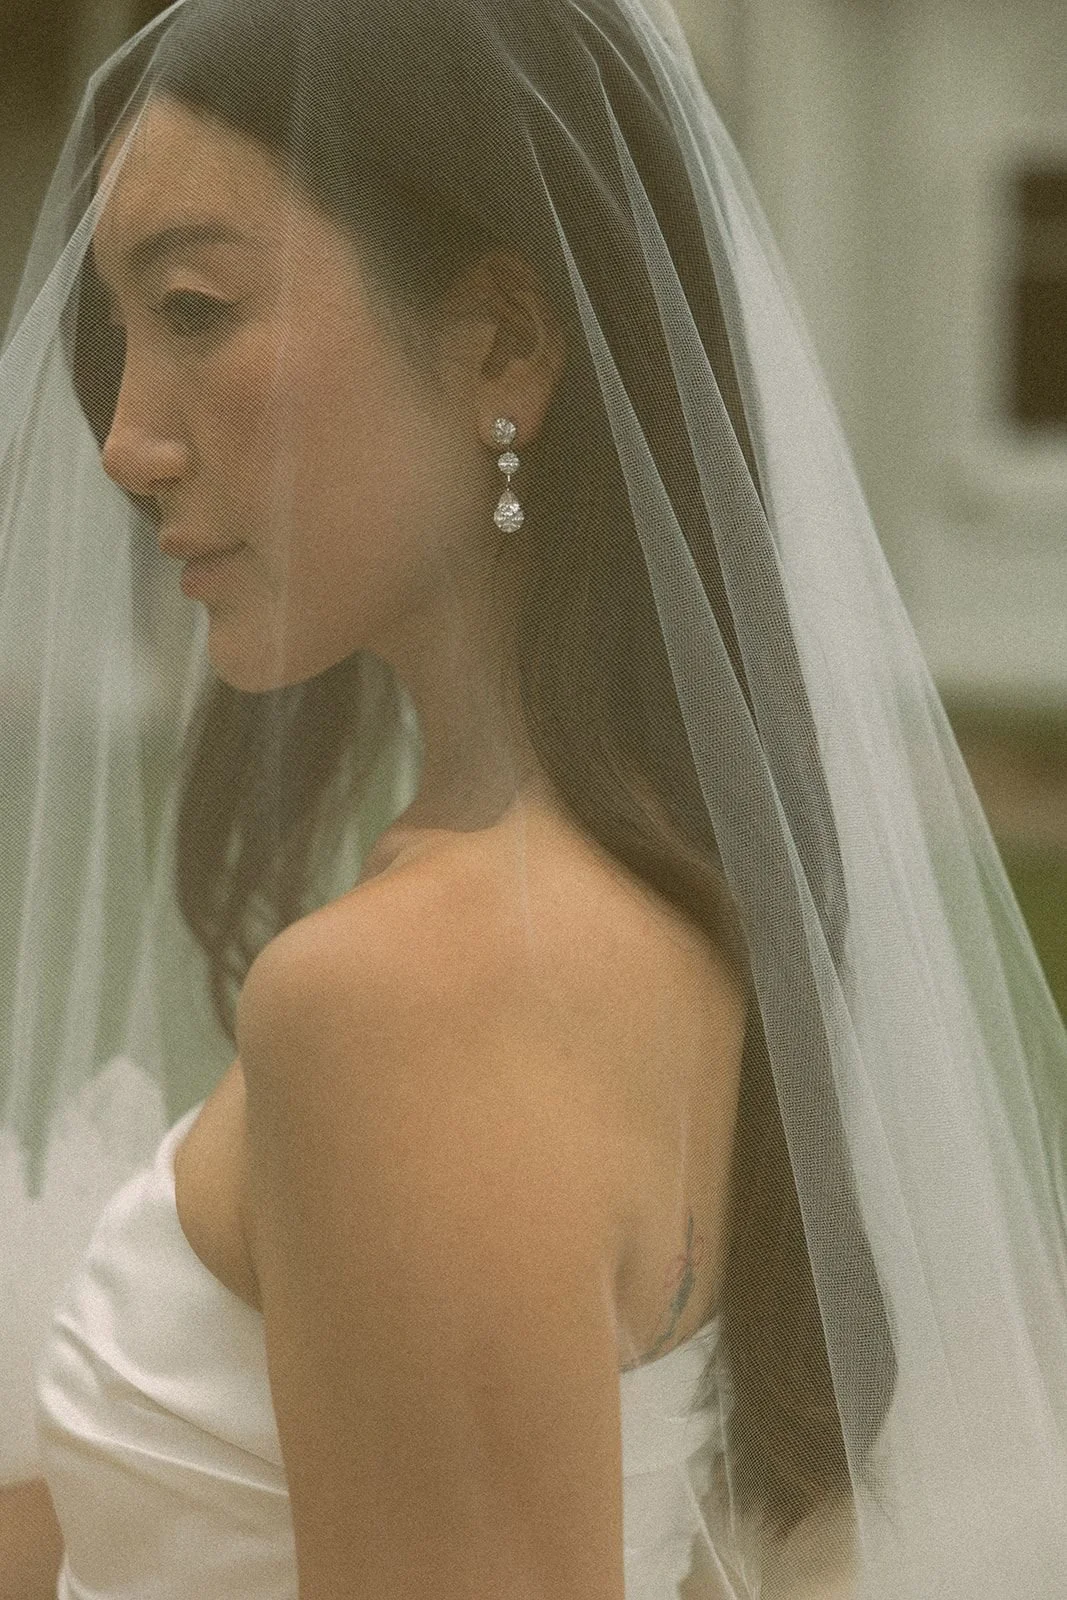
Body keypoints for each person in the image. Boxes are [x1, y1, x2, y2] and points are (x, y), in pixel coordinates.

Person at [1, 1, 1065, 1596]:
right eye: (120, 333)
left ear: (504, 343)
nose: (125, 437)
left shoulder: (417, 998)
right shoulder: (663, 893)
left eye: (198, 310)